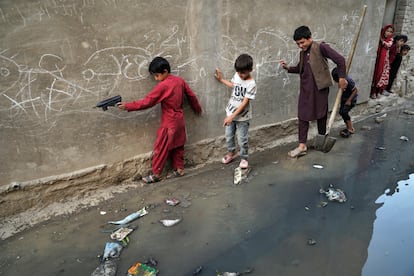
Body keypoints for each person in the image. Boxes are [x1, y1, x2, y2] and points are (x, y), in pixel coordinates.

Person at [117, 57, 202, 183]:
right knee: (178, 146)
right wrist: (198, 109)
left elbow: (147, 102)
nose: (156, 79)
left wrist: (128, 106)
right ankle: (179, 169)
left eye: (157, 75)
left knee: (161, 148)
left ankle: (156, 174)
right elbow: (191, 96)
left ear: (165, 71)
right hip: (179, 120)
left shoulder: (163, 86)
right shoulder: (179, 81)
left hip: (169, 123)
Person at [279, 25, 347, 158]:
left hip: (319, 89)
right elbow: (300, 68)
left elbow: (340, 60)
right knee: (303, 116)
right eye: (298, 43)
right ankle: (302, 145)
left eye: (302, 42)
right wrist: (288, 68)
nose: (300, 45)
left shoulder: (321, 47)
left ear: (310, 38)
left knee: (321, 114)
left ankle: (322, 139)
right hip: (306, 89)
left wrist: (342, 78)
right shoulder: (303, 53)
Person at [214, 54, 257, 169]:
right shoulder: (237, 75)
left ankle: (244, 157)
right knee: (229, 136)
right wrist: (222, 79)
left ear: (250, 70)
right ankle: (231, 153)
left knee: (242, 139)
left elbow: (244, 103)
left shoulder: (251, 84)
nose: (241, 75)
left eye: (243, 73)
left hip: (243, 117)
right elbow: (233, 85)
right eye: (239, 72)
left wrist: (231, 117)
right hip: (230, 113)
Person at [331, 67, 358, 138]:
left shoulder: (348, 80)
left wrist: (349, 100)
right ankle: (348, 126)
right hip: (344, 99)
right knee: (341, 112)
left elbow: (355, 90)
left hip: (350, 99)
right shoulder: (342, 81)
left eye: (335, 79)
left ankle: (351, 128)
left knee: (344, 112)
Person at [370, 24, 394, 99]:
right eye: (387, 31)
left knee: (381, 75)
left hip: (384, 62)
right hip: (377, 60)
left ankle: (378, 91)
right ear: (384, 31)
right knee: (376, 74)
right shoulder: (379, 39)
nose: (388, 33)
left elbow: (388, 45)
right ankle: (373, 91)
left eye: (391, 32)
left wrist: (382, 41)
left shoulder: (390, 40)